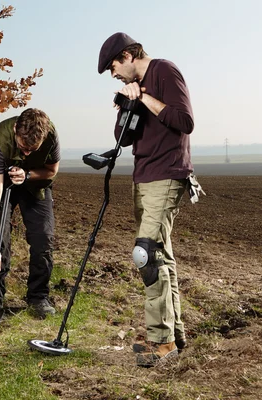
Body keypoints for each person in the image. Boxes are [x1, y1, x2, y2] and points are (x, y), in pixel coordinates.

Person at [98, 32, 195, 367]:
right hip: (143, 178)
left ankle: (161, 341)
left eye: (113, 65)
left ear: (128, 55)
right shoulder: (135, 88)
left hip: (168, 174)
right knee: (162, 258)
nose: (113, 73)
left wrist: (146, 98)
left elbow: (185, 122)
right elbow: (122, 140)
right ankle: (175, 336)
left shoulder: (165, 71)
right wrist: (127, 104)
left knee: (145, 254)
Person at [0, 108, 60, 319]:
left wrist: (27, 174)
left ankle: (38, 297)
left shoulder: (51, 137)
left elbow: (52, 171)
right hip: (2, 182)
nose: (26, 153)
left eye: (32, 150)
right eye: (22, 147)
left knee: (43, 237)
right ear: (16, 129)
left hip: (35, 183)